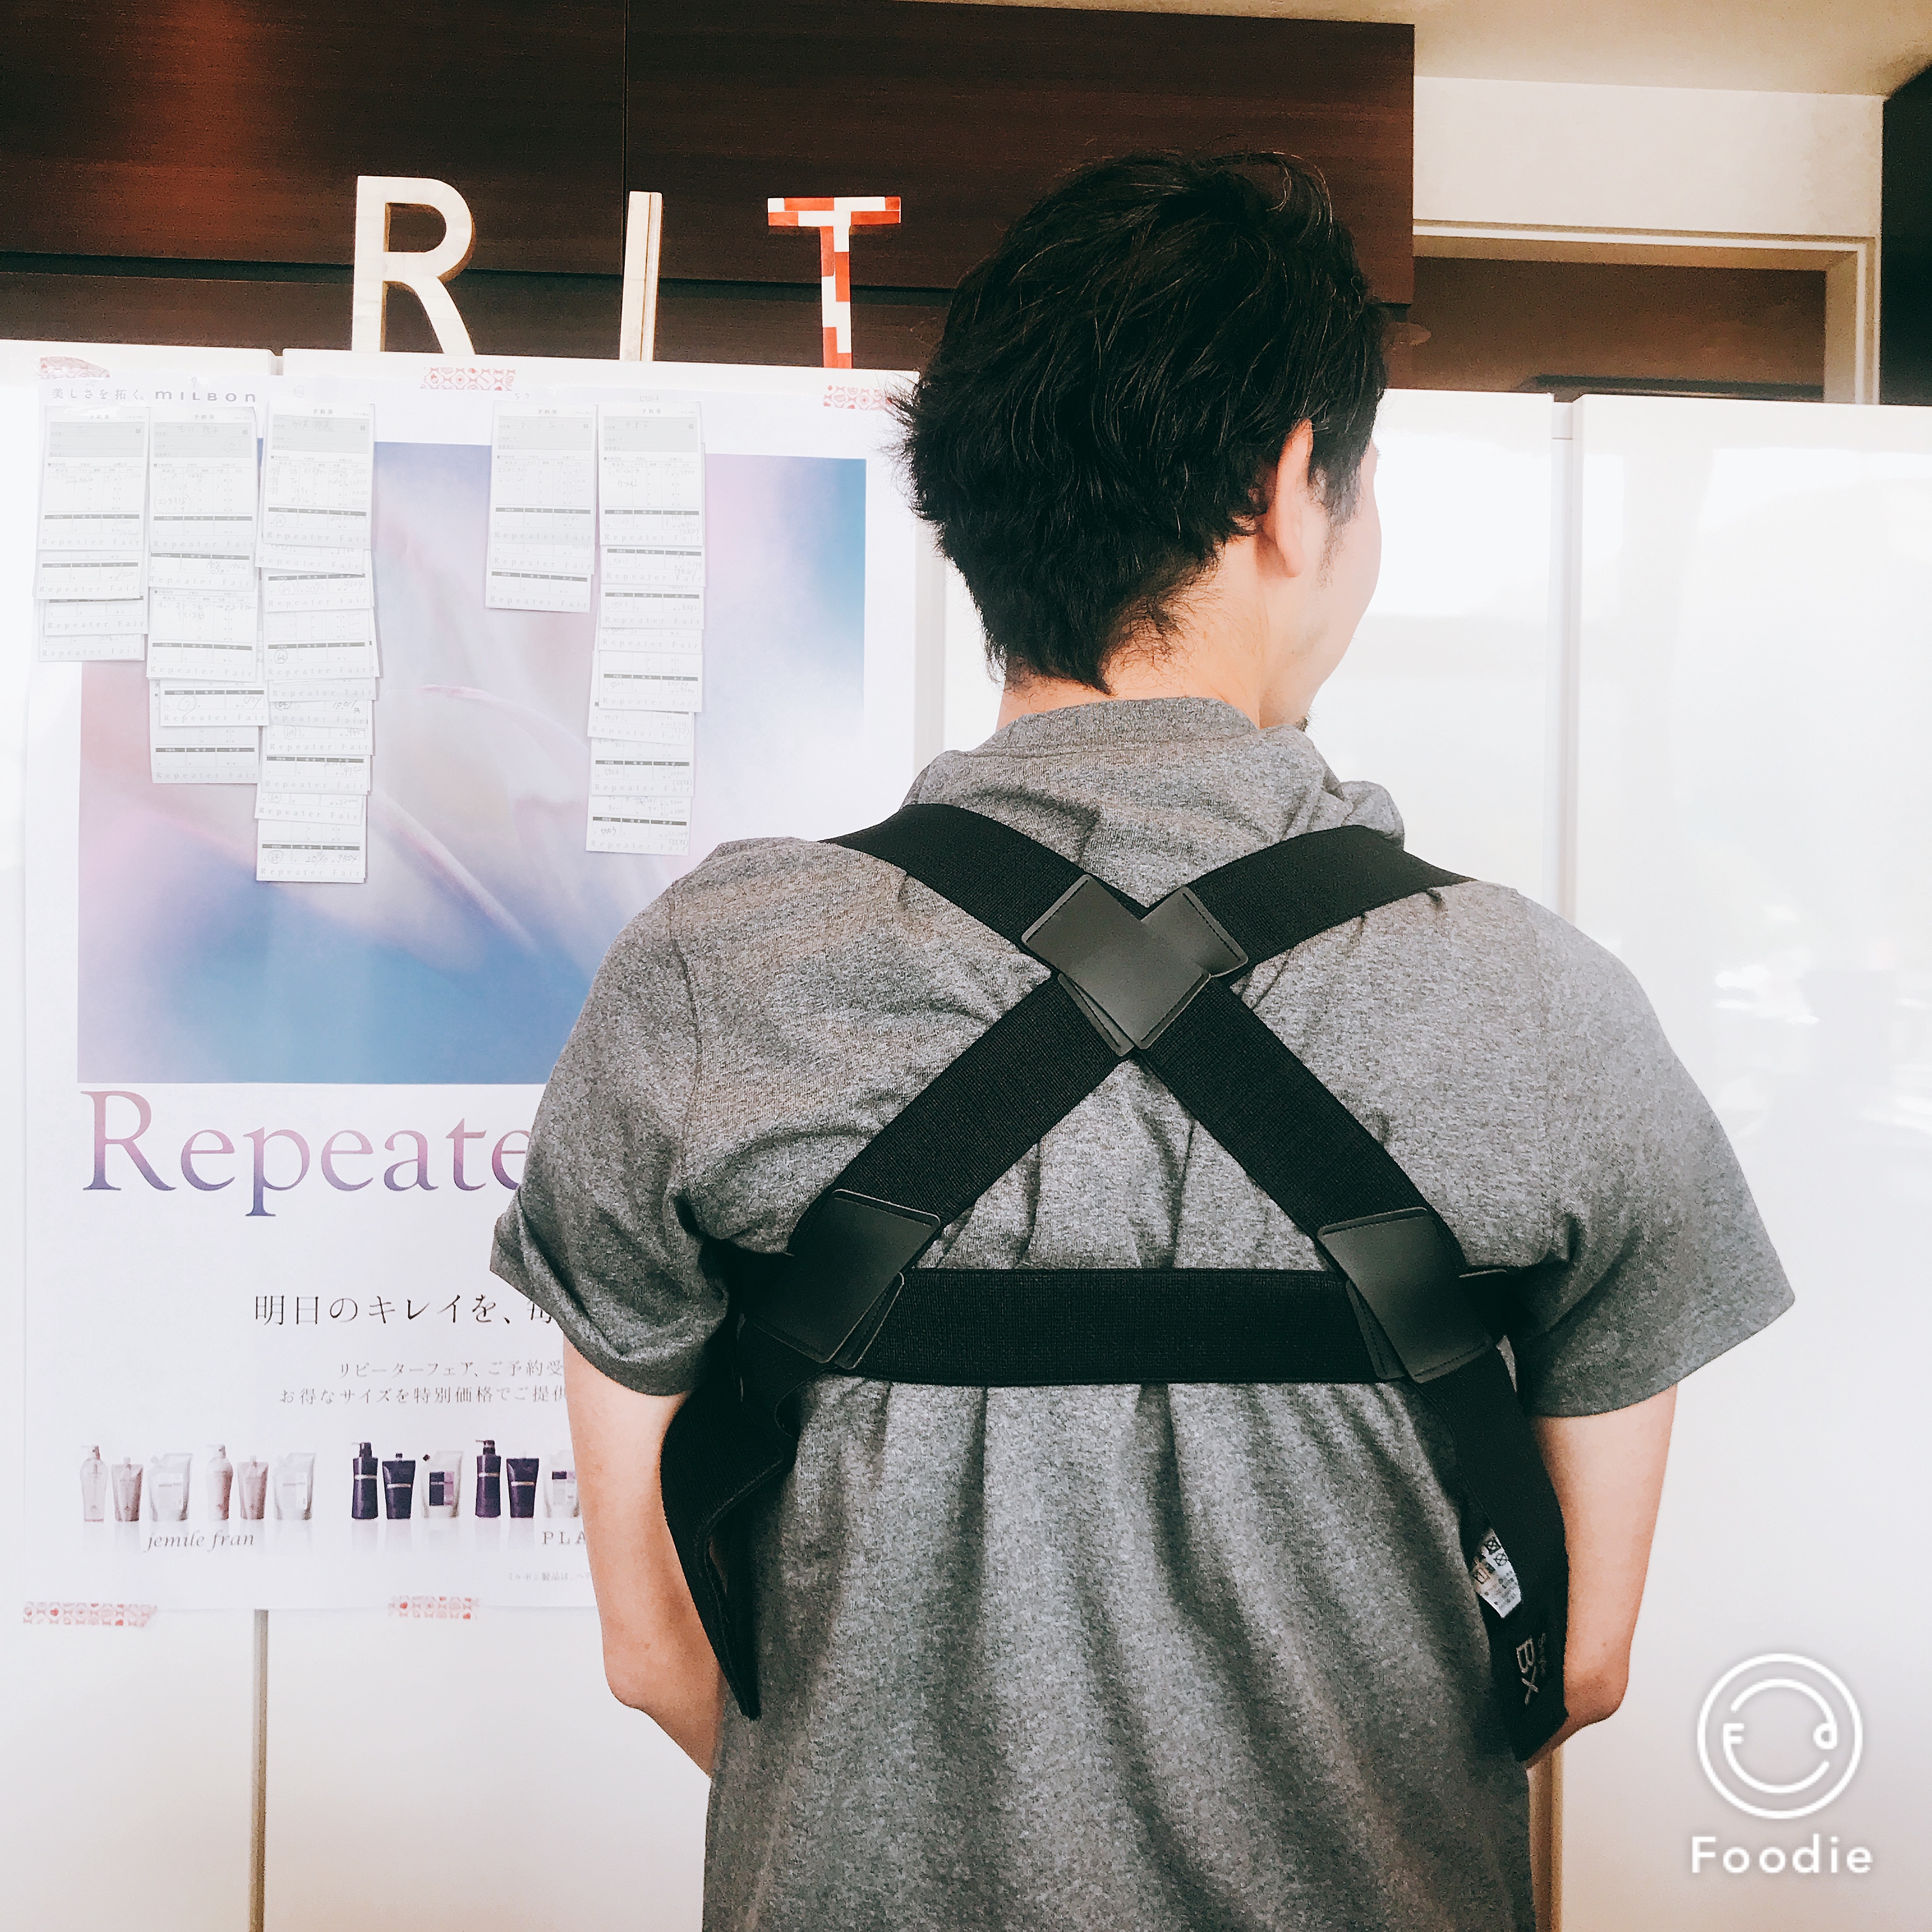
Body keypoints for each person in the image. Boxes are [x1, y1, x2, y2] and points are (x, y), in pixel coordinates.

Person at [491, 153, 1791, 1931]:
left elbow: (656, 1650)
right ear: (1294, 493)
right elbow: (1579, 1662)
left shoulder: (714, 971)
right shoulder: (1544, 1005)